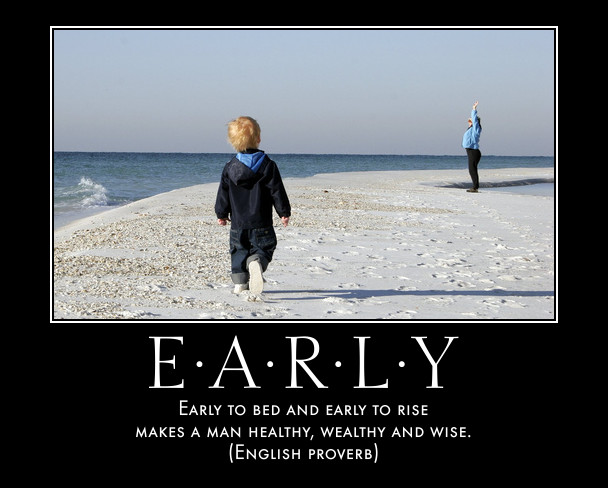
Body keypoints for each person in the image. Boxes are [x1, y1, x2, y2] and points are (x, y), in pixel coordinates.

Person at [215, 116, 291, 294]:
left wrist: (221, 213)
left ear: (233, 142)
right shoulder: (268, 165)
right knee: (265, 246)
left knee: (238, 250)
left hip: (238, 223)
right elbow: (277, 191)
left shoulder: (230, 167)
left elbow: (223, 193)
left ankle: (240, 283)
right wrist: (284, 212)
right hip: (261, 222)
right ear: (258, 139)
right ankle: (257, 261)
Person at [462, 101, 482, 192]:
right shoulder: (471, 129)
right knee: (472, 170)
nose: (469, 122)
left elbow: (475, 120)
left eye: (470, 121)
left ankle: (475, 187)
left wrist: (474, 109)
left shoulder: (476, 129)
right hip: (471, 151)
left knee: (472, 170)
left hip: (473, 151)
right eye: (468, 121)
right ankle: (475, 187)